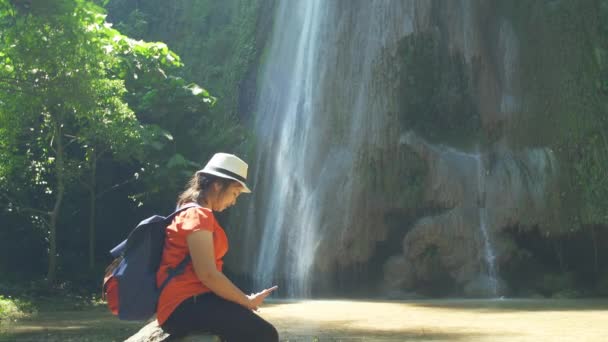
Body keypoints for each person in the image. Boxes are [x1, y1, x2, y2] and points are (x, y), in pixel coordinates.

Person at [156, 153, 279, 341]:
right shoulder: (198, 216)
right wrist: (246, 301)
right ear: (218, 185)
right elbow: (208, 274)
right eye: (234, 193)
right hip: (184, 305)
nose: (234, 201)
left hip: (189, 302)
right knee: (265, 334)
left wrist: (244, 299)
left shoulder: (188, 209)